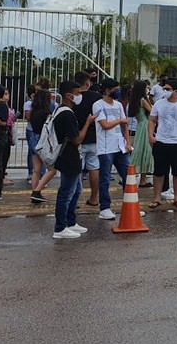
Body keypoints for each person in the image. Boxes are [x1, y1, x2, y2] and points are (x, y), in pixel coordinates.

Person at [51, 80, 93, 239]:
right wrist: (88, 123)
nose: (80, 96)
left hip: (71, 156)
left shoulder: (61, 110)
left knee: (76, 190)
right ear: (69, 95)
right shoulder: (67, 114)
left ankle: (70, 221)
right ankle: (60, 227)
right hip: (69, 156)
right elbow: (76, 140)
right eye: (78, 94)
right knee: (66, 192)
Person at [147, 78, 177, 209]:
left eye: (168, 89)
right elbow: (152, 120)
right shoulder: (159, 104)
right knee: (158, 172)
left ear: (176, 91)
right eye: (164, 89)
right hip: (161, 142)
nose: (165, 91)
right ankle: (157, 198)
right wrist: (151, 136)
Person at [93, 78, 132, 221]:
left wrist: (127, 143)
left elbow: (124, 125)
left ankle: (130, 205)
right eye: (115, 90)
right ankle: (105, 208)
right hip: (105, 147)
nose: (118, 92)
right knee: (105, 178)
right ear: (107, 90)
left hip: (120, 146)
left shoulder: (119, 105)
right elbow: (104, 125)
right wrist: (120, 121)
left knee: (128, 176)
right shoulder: (98, 105)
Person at [71, 71, 103, 206]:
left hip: (78, 138)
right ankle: (94, 198)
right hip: (95, 137)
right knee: (94, 168)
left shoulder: (72, 98)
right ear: (88, 82)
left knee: (77, 170)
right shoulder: (97, 97)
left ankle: (75, 199)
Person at [28, 89, 53, 204]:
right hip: (43, 142)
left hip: (33, 140)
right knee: (52, 169)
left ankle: (35, 192)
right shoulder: (46, 113)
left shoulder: (34, 112)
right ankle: (37, 191)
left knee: (36, 170)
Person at [128, 80, 154, 186]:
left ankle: (137, 179)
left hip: (140, 126)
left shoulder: (134, 101)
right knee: (146, 151)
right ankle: (142, 180)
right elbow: (152, 112)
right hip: (145, 125)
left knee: (140, 150)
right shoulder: (143, 100)